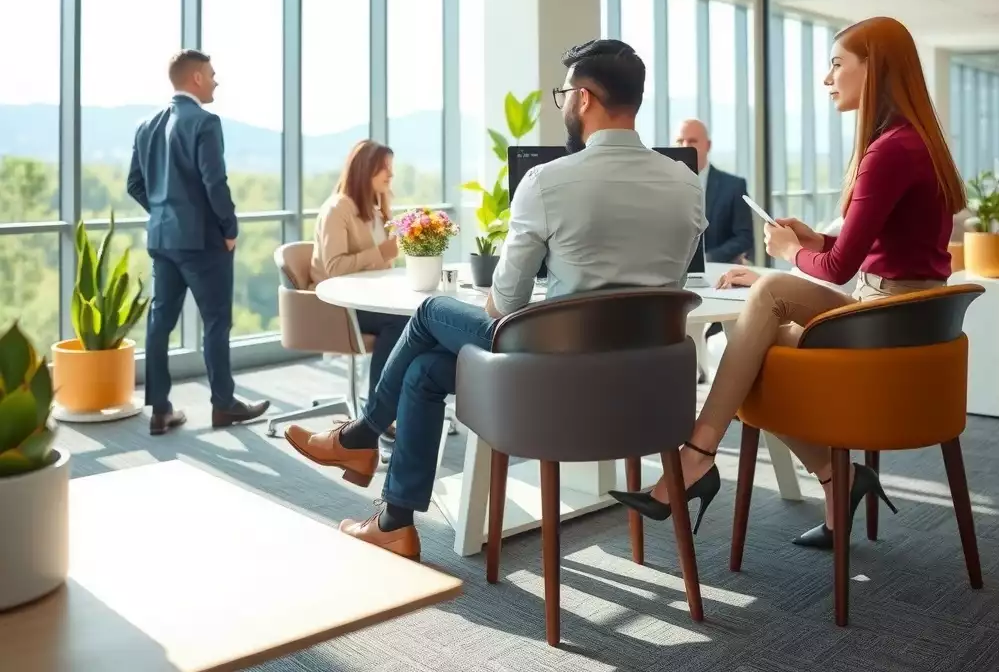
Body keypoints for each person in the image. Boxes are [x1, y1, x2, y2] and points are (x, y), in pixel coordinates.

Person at [284, 39, 706, 560]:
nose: (563, 107)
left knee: (433, 311)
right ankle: (393, 519)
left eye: (563, 96)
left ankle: (361, 436)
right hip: (648, 391)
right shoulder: (687, 184)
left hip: (554, 386)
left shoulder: (547, 181)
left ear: (585, 98)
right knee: (424, 374)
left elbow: (505, 305)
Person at [612, 16, 966, 548]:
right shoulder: (914, 142)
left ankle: (698, 457)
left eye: (837, 63)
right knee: (754, 346)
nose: (827, 79)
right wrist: (813, 242)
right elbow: (877, 249)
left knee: (767, 301)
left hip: (885, 320)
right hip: (905, 315)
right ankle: (832, 479)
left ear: (875, 69)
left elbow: (843, 271)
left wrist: (787, 253)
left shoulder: (888, 150)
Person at [127, 50, 270, 436]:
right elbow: (214, 182)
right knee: (216, 322)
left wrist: (163, 212)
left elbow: (134, 184)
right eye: (211, 74)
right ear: (195, 79)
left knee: (160, 325)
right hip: (203, 243)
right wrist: (229, 228)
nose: (216, 80)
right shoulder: (206, 123)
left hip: (162, 239)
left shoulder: (147, 126)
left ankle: (160, 410)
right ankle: (223, 405)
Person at [309, 139, 406, 416]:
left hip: (369, 300)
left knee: (422, 315)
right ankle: (379, 412)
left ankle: (399, 404)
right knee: (400, 321)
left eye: (391, 167)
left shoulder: (377, 210)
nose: (391, 174)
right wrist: (381, 251)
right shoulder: (337, 209)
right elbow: (335, 268)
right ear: (365, 170)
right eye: (384, 168)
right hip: (338, 307)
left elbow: (379, 267)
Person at [675, 118, 753, 264]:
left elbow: (745, 237)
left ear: (708, 146)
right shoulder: (664, 186)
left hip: (718, 272)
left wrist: (708, 259)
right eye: (680, 141)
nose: (685, 147)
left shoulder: (734, 187)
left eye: (692, 141)